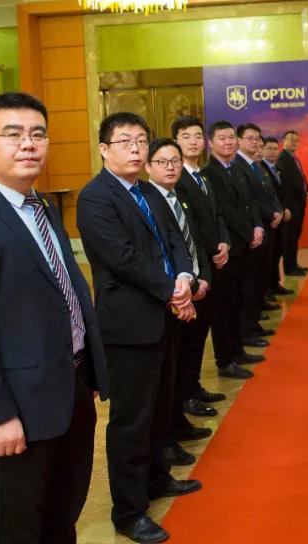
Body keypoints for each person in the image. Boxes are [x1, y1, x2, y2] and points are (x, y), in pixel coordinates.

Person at [0, 93, 108, 544]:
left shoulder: (42, 208)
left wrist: (88, 372)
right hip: (18, 408)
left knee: (61, 517)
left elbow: (65, 291)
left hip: (69, 390)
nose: (28, 144)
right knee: (16, 528)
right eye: (13, 134)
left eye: (37, 134)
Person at [76, 112, 200, 544]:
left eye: (141, 141)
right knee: (132, 420)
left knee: (161, 407)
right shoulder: (95, 199)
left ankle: (157, 478)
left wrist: (183, 278)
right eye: (125, 141)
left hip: (164, 317)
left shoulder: (148, 190)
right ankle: (129, 512)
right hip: (128, 326)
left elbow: (176, 241)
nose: (135, 148)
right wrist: (172, 291)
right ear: (104, 149)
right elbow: (122, 258)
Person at [144, 138, 214, 463]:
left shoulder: (178, 196)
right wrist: (179, 289)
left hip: (190, 286)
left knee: (184, 360)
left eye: (175, 161)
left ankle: (179, 422)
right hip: (169, 298)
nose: (171, 167)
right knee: (167, 374)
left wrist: (201, 276)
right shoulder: (150, 201)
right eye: (162, 162)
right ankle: (168, 437)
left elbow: (192, 240)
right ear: (148, 166)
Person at [171, 116, 231, 412]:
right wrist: (208, 252)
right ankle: (186, 394)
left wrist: (224, 243)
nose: (193, 141)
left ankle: (194, 386)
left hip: (212, 261)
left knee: (201, 332)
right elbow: (189, 227)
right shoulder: (176, 178)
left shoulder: (202, 176)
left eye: (197, 136)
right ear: (176, 142)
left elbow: (216, 215)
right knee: (190, 337)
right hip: (195, 268)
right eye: (186, 136)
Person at [204, 120, 263, 379]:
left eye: (231, 137)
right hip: (229, 247)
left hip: (245, 245)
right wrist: (249, 232)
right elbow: (225, 210)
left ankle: (238, 351)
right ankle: (225, 360)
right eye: (222, 138)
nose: (228, 142)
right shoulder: (210, 172)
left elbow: (250, 202)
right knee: (224, 305)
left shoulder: (236, 168)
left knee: (239, 300)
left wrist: (257, 227)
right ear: (211, 142)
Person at [235, 123, 281, 346]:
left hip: (264, 227)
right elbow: (249, 200)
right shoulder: (238, 165)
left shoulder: (256, 165)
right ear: (239, 141)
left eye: (258, 139)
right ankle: (248, 328)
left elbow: (268, 193)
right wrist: (269, 214)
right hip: (251, 231)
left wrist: (276, 210)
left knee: (258, 277)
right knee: (249, 282)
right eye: (250, 138)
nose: (256, 142)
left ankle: (254, 323)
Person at [277, 129, 308, 275]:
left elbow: (301, 177)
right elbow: (285, 184)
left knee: (295, 236)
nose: (293, 142)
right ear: (283, 141)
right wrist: (285, 206)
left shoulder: (294, 158)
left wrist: (307, 189)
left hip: (299, 203)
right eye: (290, 139)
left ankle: (294, 264)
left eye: (296, 140)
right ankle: (289, 268)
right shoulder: (283, 159)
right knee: (290, 237)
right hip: (291, 205)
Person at [262, 136, 292, 296]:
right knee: (269, 255)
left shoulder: (277, 168)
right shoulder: (261, 168)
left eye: (275, 149)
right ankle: (268, 288)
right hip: (270, 218)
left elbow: (281, 192)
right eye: (269, 148)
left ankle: (275, 284)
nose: (273, 152)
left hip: (280, 215)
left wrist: (284, 209)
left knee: (278, 252)